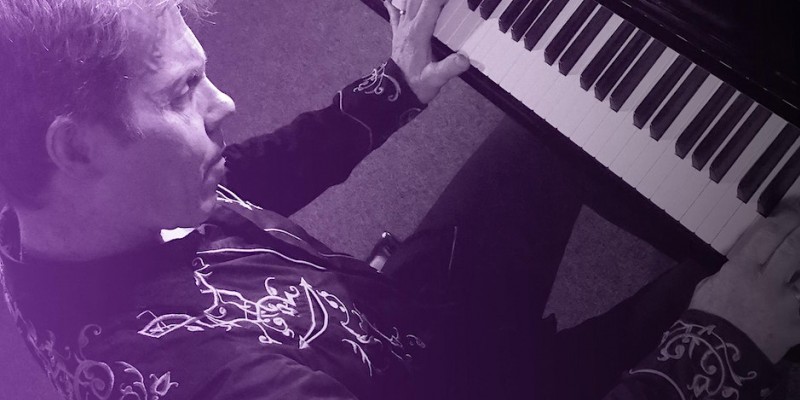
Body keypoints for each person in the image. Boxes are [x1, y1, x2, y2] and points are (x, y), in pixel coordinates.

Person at [0, 0, 797, 399]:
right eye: (183, 92)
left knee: (559, 126)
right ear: (77, 148)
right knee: (760, 272)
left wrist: (395, 89)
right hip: (456, 386)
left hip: (399, 313)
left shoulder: (38, 212)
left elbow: (243, 176)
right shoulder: (226, 385)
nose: (224, 104)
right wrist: (718, 347)